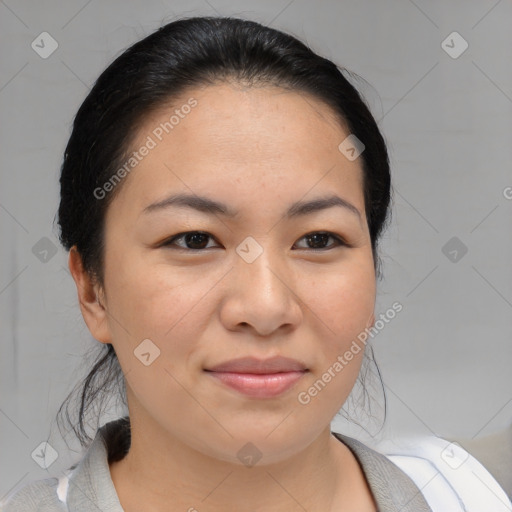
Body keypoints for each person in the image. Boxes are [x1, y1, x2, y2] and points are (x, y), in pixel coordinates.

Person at [2, 15, 510, 512]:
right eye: (195, 239)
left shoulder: (475, 494)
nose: (266, 307)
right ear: (93, 289)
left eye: (317, 239)